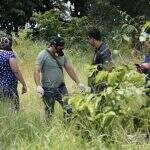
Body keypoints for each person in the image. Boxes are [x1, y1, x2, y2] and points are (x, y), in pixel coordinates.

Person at [34, 36, 87, 119]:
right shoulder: (43, 55)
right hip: (48, 88)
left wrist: (78, 82)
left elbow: (69, 69)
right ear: (52, 46)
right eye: (59, 48)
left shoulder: (62, 55)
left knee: (68, 108)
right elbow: (36, 70)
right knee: (49, 110)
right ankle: (47, 128)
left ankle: (67, 125)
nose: (60, 50)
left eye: (62, 48)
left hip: (61, 87)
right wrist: (38, 86)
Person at [0, 36, 27, 111]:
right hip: (8, 87)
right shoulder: (9, 54)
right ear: (11, 44)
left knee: (3, 110)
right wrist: (24, 84)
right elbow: (16, 71)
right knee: (14, 109)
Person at [87, 28, 112, 92]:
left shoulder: (104, 50)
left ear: (93, 39)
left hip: (101, 87)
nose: (88, 41)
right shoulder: (98, 49)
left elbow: (108, 69)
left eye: (88, 39)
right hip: (96, 86)